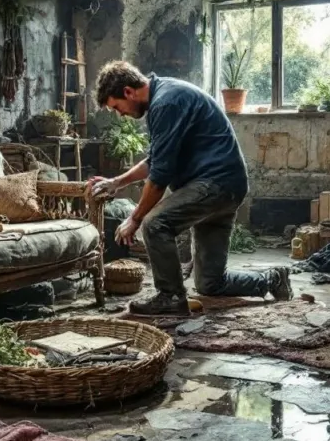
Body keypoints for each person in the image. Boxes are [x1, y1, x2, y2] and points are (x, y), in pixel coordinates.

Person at [88, 61, 292, 317]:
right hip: (226, 187)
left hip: (216, 185)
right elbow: (155, 160)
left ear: (128, 92)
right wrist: (117, 182)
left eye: (117, 107)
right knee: (210, 283)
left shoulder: (166, 103)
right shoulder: (164, 97)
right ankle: (272, 280)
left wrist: (135, 218)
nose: (121, 114)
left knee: (154, 224)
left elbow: (160, 177)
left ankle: (170, 297)